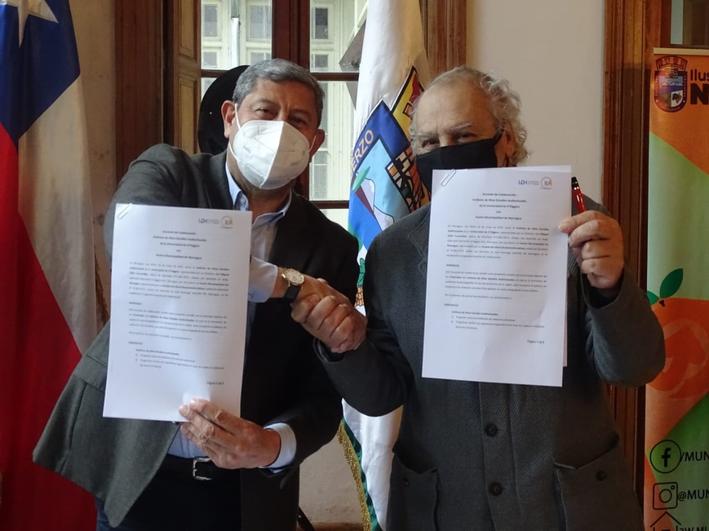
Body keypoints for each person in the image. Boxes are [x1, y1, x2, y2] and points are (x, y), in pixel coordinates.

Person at [293, 66, 665, 530]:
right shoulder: (393, 254)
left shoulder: (579, 227)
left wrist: (611, 287)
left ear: (505, 140)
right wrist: (344, 347)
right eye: (428, 142)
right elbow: (382, 395)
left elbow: (635, 368)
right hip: (444, 509)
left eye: (463, 135)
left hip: (567, 507)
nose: (445, 152)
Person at [34, 59, 361, 531]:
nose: (279, 129)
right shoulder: (168, 172)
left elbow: (321, 393)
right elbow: (144, 249)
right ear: (230, 118)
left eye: (298, 120)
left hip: (245, 490)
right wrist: (287, 283)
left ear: (315, 142)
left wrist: (270, 446)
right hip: (139, 468)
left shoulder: (332, 247)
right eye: (265, 111)